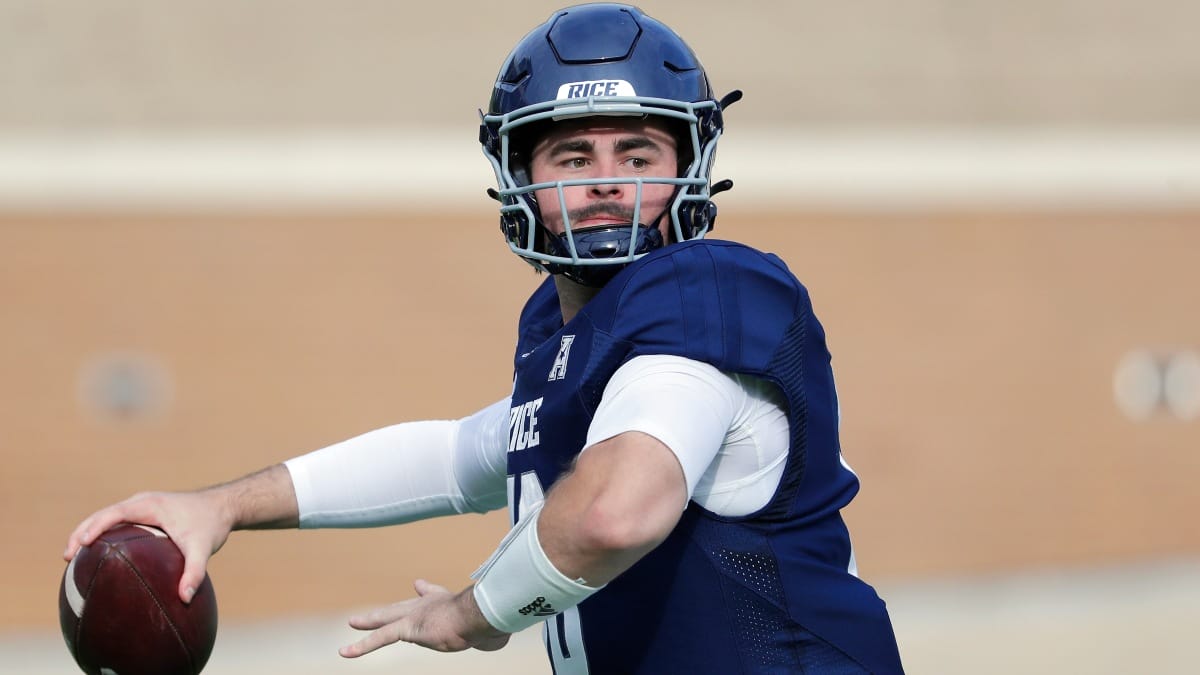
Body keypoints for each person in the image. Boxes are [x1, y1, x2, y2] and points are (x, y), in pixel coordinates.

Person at [64, 3, 904, 673]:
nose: (607, 181)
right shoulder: (564, 330)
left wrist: (473, 612)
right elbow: (456, 455)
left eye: (638, 153)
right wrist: (218, 507)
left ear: (688, 165)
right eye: (572, 157)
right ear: (519, 178)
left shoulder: (706, 290)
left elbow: (614, 512)